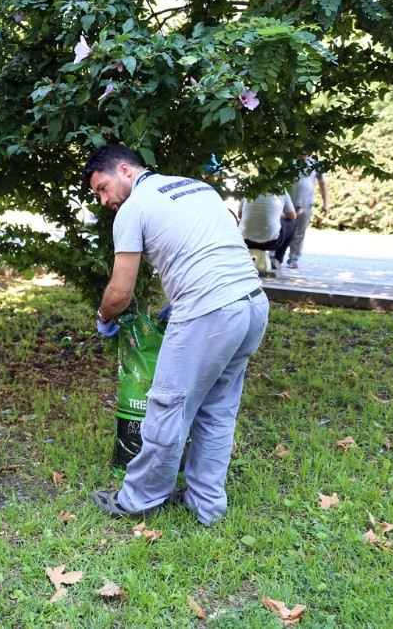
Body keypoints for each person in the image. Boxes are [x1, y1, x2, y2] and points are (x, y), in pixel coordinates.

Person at [83, 144, 269, 526]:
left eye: (102, 188)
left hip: (210, 312)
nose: (103, 200)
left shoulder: (134, 208)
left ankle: (138, 500)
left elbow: (121, 291)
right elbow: (209, 246)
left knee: (167, 408)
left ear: (125, 170)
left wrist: (104, 316)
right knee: (218, 411)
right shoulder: (196, 187)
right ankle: (206, 505)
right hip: (252, 305)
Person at [286, 154, 329, 269]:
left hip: (305, 204)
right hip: (286, 203)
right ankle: (273, 257)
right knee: (280, 230)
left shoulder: (315, 163)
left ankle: (293, 259)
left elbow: (322, 183)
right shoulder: (289, 160)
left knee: (299, 233)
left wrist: (326, 203)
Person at [239, 191, 297, 271]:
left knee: (239, 223)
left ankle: (240, 256)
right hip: (271, 242)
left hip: (246, 241)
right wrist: (280, 215)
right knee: (292, 224)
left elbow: (240, 214)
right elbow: (292, 216)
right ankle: (277, 260)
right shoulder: (281, 190)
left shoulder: (249, 189)